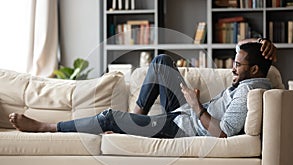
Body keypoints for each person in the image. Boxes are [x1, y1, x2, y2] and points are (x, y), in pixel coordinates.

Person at [8, 38, 276, 138]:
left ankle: (46, 127)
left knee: (108, 117)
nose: (233, 68)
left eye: (238, 65)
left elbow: (224, 135)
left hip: (184, 127)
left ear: (254, 70)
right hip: (185, 114)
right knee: (161, 62)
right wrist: (261, 41)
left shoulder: (247, 93)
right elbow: (246, 47)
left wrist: (197, 108)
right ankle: (138, 123)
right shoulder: (250, 80)